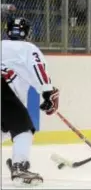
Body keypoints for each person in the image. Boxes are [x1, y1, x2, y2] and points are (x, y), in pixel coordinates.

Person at [1, 17, 59, 186]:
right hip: (3, 89)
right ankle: (20, 167)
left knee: (4, 129)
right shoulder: (28, 48)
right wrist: (47, 91)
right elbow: (37, 68)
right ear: (26, 32)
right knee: (24, 128)